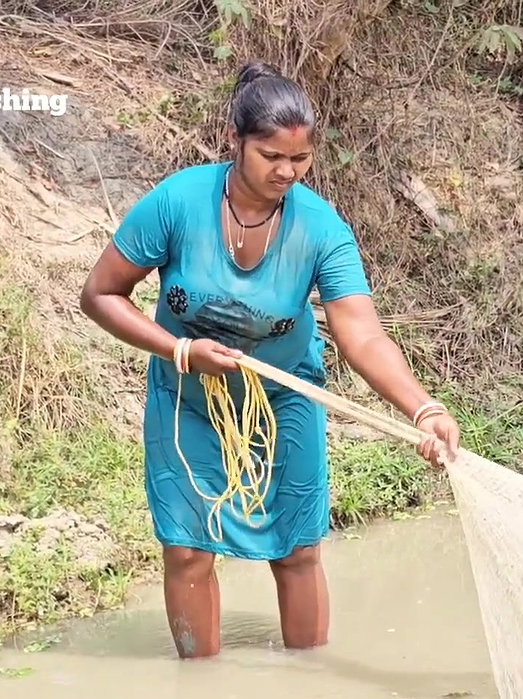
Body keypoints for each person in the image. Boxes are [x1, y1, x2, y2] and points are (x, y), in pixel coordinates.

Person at [78, 60, 461, 660]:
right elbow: (99, 294)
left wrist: (423, 408)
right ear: (236, 142)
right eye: (270, 156)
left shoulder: (320, 228)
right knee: (186, 550)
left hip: (286, 398)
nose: (287, 172)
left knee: (299, 549)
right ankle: (198, 688)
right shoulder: (178, 202)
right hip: (187, 395)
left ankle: (309, 681)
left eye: (301, 160)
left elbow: (361, 334)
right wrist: (179, 349)